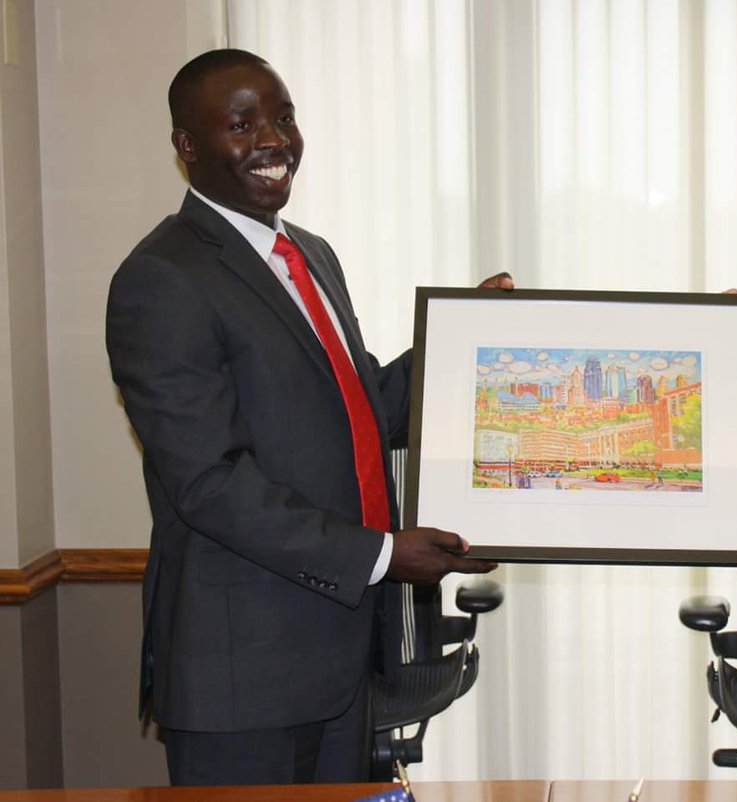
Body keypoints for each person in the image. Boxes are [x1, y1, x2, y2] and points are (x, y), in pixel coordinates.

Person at [105, 48, 511, 786]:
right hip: (243, 675)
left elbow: (362, 411)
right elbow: (209, 483)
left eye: (284, 117)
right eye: (242, 124)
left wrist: (462, 347)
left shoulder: (310, 255)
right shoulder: (162, 277)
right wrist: (382, 556)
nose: (274, 139)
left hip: (342, 660)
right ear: (186, 145)